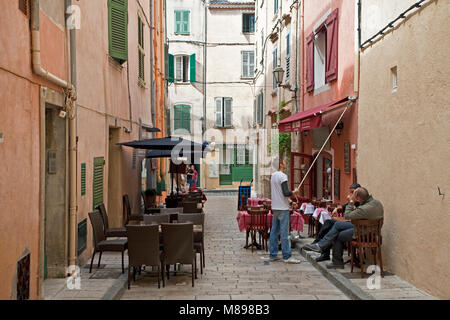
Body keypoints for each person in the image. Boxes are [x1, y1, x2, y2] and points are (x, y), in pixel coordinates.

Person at [303, 187, 384, 269]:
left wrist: (351, 201)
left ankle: (337, 262)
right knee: (338, 225)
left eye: (354, 196)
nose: (352, 196)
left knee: (339, 235)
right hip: (368, 230)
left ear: (358, 198)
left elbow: (347, 215)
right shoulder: (377, 203)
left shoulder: (364, 209)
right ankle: (321, 245)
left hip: (364, 233)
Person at [308, 183, 361, 262]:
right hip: (347, 222)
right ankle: (322, 249)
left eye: (353, 192)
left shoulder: (360, 202)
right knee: (328, 223)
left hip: (353, 225)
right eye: (350, 192)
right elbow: (342, 207)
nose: (351, 194)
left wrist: (351, 202)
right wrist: (337, 208)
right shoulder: (353, 201)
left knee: (335, 228)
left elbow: (350, 214)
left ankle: (320, 246)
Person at [267, 159, 302, 264]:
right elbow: (286, 193)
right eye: (284, 162)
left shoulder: (273, 176)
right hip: (283, 209)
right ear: (281, 164)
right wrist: (294, 192)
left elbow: (280, 194)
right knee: (284, 233)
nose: (285, 163)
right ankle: (287, 256)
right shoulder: (283, 176)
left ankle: (273, 254)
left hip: (275, 208)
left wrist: (290, 202)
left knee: (274, 232)